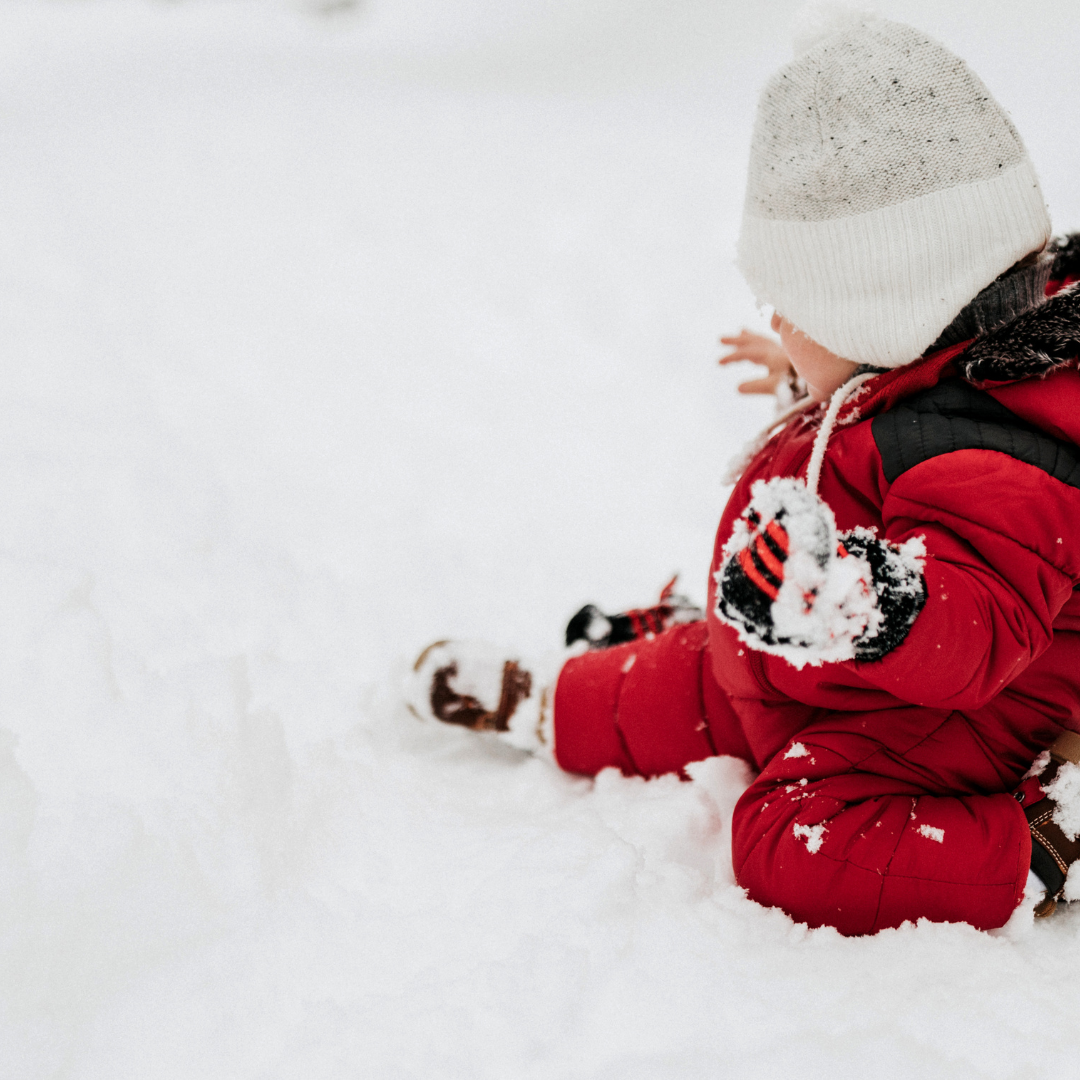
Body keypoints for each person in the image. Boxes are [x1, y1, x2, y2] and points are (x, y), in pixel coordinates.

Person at [407, 9, 1080, 934]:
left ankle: (1048, 846)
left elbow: (976, 629)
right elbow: (886, 414)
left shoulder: (1001, 450)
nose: (772, 313)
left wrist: (853, 597)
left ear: (878, 309)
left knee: (790, 839)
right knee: (703, 675)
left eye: (793, 304)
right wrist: (816, 370)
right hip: (832, 663)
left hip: (963, 717)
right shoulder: (919, 361)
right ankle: (548, 702)